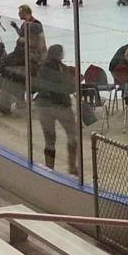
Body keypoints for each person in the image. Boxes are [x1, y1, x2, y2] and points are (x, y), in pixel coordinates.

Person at [35, 44, 78, 174]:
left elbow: (37, 85)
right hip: (61, 106)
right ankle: (72, 167)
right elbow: (69, 87)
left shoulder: (41, 68)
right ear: (60, 54)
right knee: (72, 136)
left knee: (49, 141)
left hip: (43, 106)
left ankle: (49, 169)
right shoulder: (62, 69)